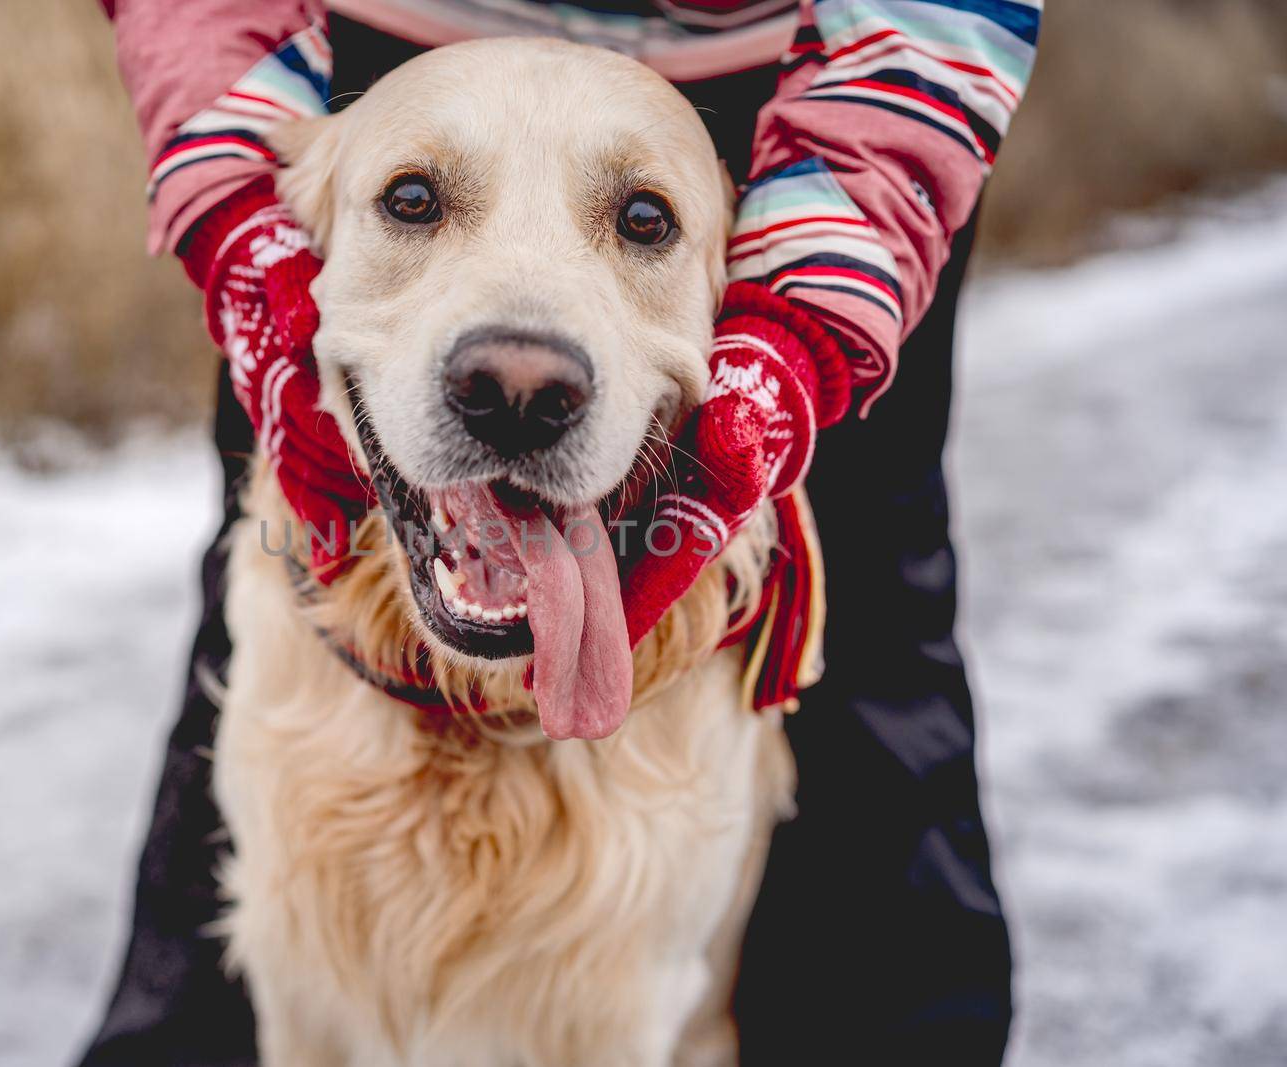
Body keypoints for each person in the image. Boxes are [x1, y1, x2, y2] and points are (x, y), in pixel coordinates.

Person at [78, 2, 1040, 1064]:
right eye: (412, 201)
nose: (522, 368)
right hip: (362, 28)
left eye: (642, 223)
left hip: (818, 90)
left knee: (861, 638)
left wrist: (808, 324)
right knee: (274, 580)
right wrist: (232, 196)